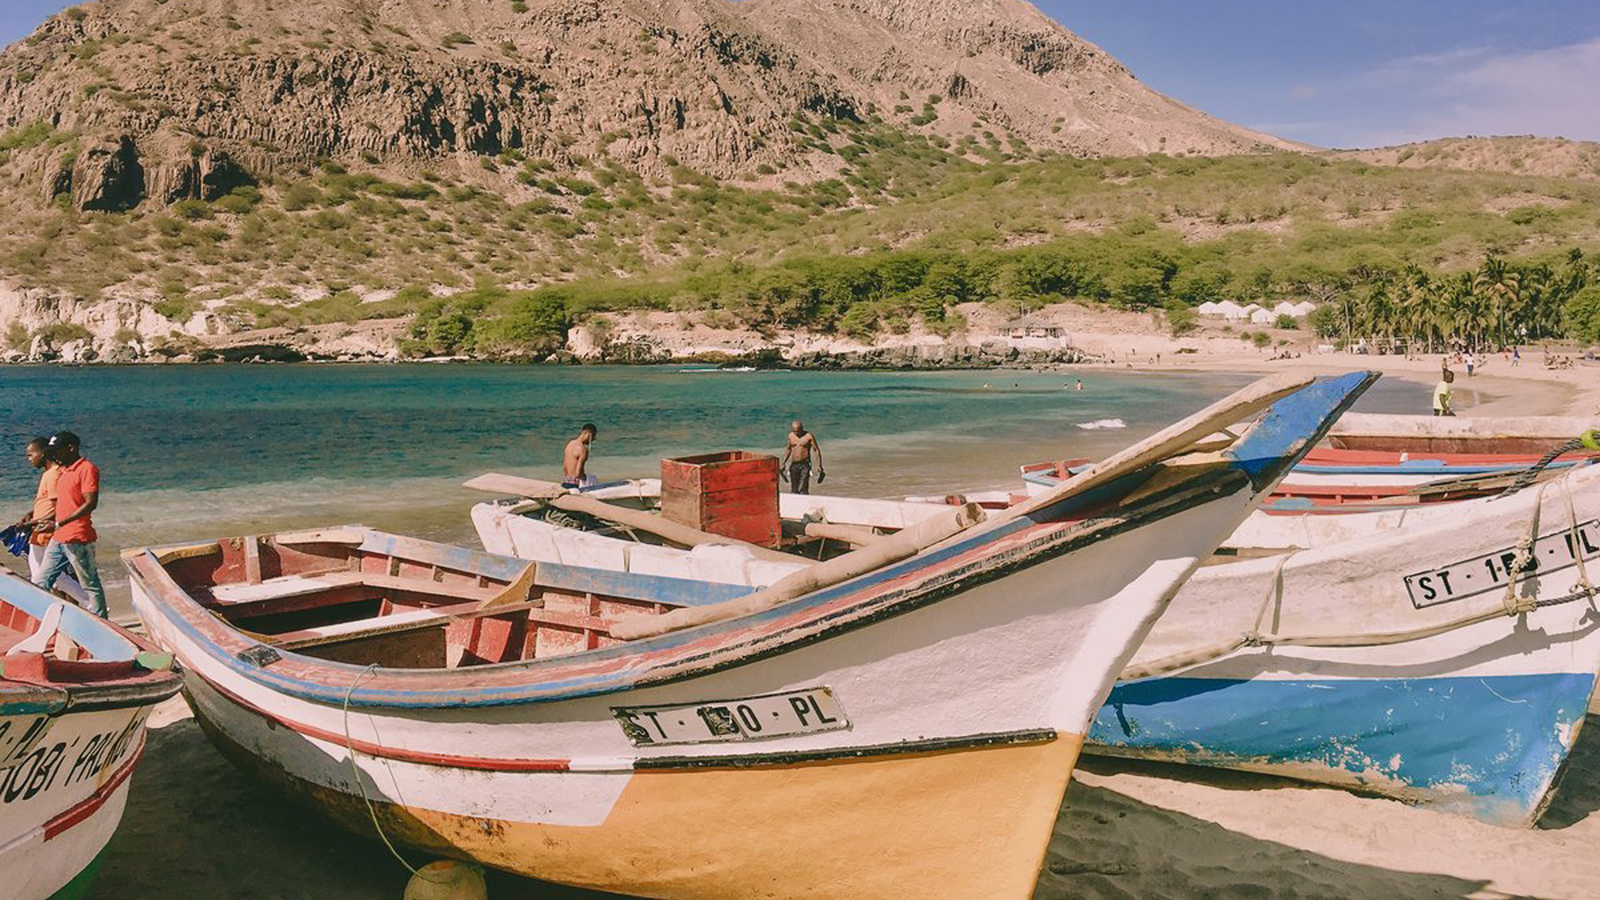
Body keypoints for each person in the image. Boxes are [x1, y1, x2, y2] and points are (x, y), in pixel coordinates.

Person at [33, 432, 106, 617]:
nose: (54, 455)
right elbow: (64, 504)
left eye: (57, 450)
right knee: (40, 582)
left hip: (78, 537)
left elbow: (90, 503)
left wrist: (58, 523)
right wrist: (49, 521)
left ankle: (102, 623)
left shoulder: (87, 469)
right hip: (59, 537)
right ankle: (46, 619)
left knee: (90, 585)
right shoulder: (64, 471)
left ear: (71, 448)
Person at [13, 437, 89, 605]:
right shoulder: (49, 473)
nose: (29, 460)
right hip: (39, 531)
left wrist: (32, 523)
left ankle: (89, 603)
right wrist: (31, 514)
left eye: (30, 455)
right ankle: (80, 605)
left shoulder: (54, 474)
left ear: (43, 453)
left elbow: (59, 507)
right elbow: (46, 503)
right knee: (43, 576)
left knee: (50, 576)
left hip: (46, 532)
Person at [781, 420, 824, 495]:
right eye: (794, 431)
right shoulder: (790, 436)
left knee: (803, 488)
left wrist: (819, 465)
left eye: (797, 431)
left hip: (805, 464)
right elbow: (788, 449)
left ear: (802, 428)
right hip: (794, 464)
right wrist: (783, 463)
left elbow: (816, 450)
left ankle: (805, 502)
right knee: (794, 489)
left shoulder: (809, 436)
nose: (796, 433)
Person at [562, 423, 598, 489]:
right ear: (589, 434)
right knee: (593, 479)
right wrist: (586, 478)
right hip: (575, 485)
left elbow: (565, 468)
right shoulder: (583, 450)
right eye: (593, 437)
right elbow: (578, 473)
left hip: (565, 482)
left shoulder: (569, 444)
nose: (592, 441)